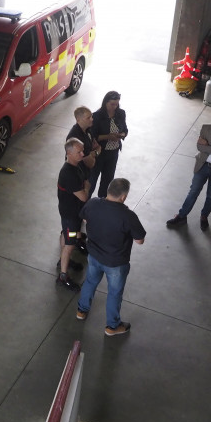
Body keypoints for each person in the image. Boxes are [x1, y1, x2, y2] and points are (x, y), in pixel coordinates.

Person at [75, 178, 146, 336]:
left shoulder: (93, 203)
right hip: (115, 263)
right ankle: (112, 326)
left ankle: (81, 311)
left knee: (90, 281)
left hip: (93, 255)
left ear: (108, 191)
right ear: (123, 197)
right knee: (114, 293)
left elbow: (85, 218)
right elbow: (140, 240)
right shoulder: (128, 216)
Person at [166, 106, 211, 230]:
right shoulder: (206, 128)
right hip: (202, 165)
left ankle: (204, 216)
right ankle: (182, 216)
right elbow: (199, 147)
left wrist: (208, 147)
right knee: (193, 192)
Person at [56, 138, 90, 291]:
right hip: (70, 213)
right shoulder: (68, 173)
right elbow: (83, 196)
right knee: (70, 245)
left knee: (66, 233)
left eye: (82, 150)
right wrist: (87, 188)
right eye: (79, 152)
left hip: (70, 212)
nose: (82, 154)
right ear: (69, 153)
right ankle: (63, 276)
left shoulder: (75, 165)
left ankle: (63, 261)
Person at [88, 91, 127, 198]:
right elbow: (93, 136)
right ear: (106, 102)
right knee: (91, 181)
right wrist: (108, 136)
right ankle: (85, 206)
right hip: (99, 153)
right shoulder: (96, 116)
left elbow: (125, 130)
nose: (114, 107)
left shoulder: (121, 113)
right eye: (112, 104)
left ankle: (102, 204)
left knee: (107, 182)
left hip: (113, 153)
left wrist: (121, 134)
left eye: (117, 104)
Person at [66, 106, 101, 171]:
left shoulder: (88, 129)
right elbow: (90, 164)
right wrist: (95, 153)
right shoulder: (74, 137)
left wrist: (93, 154)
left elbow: (97, 146)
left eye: (91, 116)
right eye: (88, 118)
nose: (92, 119)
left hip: (85, 172)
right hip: (77, 173)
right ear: (78, 119)